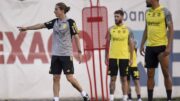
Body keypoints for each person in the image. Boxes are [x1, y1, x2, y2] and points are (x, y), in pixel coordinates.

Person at [17, 2, 90, 101]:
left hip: (66, 54)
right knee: (56, 78)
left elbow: (76, 36)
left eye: (56, 9)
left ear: (62, 10)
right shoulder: (54, 22)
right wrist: (27, 28)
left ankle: (84, 93)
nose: (54, 11)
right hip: (56, 55)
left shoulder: (70, 22)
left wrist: (79, 52)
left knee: (69, 78)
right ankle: (56, 99)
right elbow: (41, 25)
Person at [140, 0, 174, 101]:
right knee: (150, 74)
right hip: (150, 48)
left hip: (162, 47)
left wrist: (169, 46)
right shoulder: (147, 12)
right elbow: (146, 28)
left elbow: (171, 29)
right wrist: (142, 44)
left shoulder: (165, 11)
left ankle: (169, 99)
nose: (146, 0)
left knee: (166, 73)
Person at [105, 9, 134, 101]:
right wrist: (106, 56)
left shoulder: (128, 29)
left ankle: (125, 98)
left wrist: (131, 58)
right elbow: (107, 43)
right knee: (112, 78)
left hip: (124, 57)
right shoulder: (110, 29)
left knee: (124, 79)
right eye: (115, 16)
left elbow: (132, 44)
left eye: (117, 16)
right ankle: (111, 98)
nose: (116, 18)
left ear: (122, 17)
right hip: (113, 57)